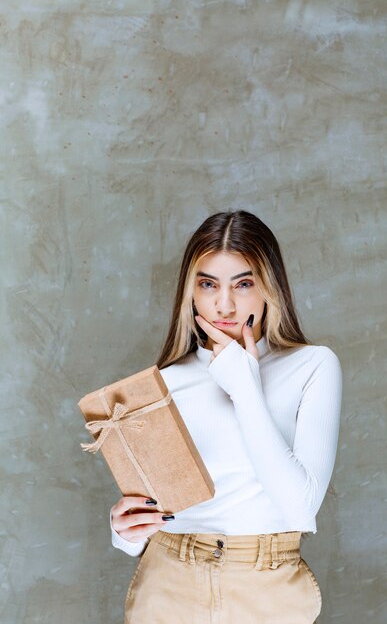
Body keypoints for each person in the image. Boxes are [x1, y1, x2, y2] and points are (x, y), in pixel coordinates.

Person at [110, 210, 343, 623]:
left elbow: (299, 507)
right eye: (208, 284)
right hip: (167, 583)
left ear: (270, 288)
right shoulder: (165, 382)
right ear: (191, 292)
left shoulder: (313, 366)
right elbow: (151, 518)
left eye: (243, 284)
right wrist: (124, 530)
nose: (224, 305)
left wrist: (244, 385)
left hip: (266, 589)